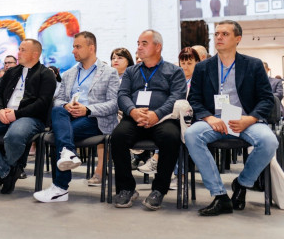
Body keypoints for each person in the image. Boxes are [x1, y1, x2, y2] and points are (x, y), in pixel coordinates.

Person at [185, 21, 278, 216]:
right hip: (215, 120)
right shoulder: (203, 67)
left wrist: (250, 119)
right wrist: (209, 118)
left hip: (245, 120)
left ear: (238, 39)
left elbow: (266, 99)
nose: (219, 37)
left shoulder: (253, 65)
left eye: (225, 34)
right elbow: (194, 99)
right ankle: (220, 195)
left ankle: (242, 184)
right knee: (192, 134)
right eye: (217, 33)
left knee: (269, 141)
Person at [34, 32, 119, 202]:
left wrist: (87, 109)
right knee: (58, 110)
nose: (73, 51)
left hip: (95, 119)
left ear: (91, 48)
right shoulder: (69, 74)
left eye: (78, 47)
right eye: (73, 47)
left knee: (60, 135)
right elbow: (58, 100)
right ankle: (68, 154)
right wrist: (66, 105)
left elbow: (114, 104)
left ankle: (60, 187)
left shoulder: (109, 73)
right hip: (69, 117)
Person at [111, 30, 187, 210]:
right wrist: (133, 111)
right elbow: (122, 95)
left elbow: (177, 96)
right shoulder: (131, 71)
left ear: (158, 47)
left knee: (171, 137)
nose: (139, 47)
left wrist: (156, 114)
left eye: (144, 43)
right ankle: (126, 188)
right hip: (135, 118)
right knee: (118, 136)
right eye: (138, 43)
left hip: (163, 119)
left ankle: (159, 190)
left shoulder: (174, 71)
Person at [0, 39, 57, 194]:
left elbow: (43, 104)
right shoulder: (11, 72)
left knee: (14, 135)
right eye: (19, 49)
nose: (18, 53)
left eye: (23, 50)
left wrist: (17, 114)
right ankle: (7, 171)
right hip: (5, 114)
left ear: (35, 54)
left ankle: (5, 169)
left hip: (31, 118)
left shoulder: (46, 74)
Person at [137, 47, 201, 176]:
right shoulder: (174, 78)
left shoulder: (200, 80)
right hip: (172, 117)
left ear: (197, 63)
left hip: (192, 118)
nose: (185, 67)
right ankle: (174, 173)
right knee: (170, 130)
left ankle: (159, 160)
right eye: (183, 63)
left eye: (189, 63)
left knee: (176, 128)